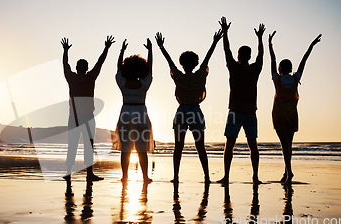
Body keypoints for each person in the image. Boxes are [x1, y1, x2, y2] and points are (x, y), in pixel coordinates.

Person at [155, 29, 223, 184]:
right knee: (200, 147)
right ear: (196, 63)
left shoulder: (179, 76)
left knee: (178, 147)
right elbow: (207, 59)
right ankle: (207, 177)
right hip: (195, 112)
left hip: (182, 112)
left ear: (182, 64)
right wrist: (214, 42)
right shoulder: (199, 76)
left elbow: (169, 62)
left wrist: (161, 47)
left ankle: (176, 177)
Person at [216, 16, 265, 185]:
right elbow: (261, 55)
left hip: (236, 111)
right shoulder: (254, 69)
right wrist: (260, 38)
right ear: (249, 56)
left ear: (239, 56)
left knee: (229, 145)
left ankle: (227, 176)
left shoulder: (234, 67)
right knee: (253, 145)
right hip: (250, 112)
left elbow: (226, 50)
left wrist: (225, 32)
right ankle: (255, 176)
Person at [269, 31, 322, 184]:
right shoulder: (295, 78)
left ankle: (289, 172)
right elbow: (304, 60)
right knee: (288, 145)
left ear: (280, 68)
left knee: (284, 145)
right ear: (290, 68)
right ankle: (286, 173)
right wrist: (311, 45)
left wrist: (270, 44)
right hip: (292, 114)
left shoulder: (277, 79)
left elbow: (272, 59)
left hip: (279, 115)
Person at [61, 36, 115, 181]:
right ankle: (89, 174)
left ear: (77, 68)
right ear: (86, 68)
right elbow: (100, 63)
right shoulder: (90, 77)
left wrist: (65, 51)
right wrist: (106, 48)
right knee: (88, 146)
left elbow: (65, 64)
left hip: (74, 117)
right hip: (86, 117)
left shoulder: (71, 78)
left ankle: (68, 172)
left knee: (72, 145)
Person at [113, 38, 154, 183]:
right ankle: (145, 177)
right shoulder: (144, 84)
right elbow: (150, 69)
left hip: (125, 113)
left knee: (126, 148)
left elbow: (118, 69)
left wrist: (121, 52)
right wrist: (150, 51)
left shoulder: (122, 83)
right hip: (141, 113)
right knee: (141, 149)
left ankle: (125, 176)